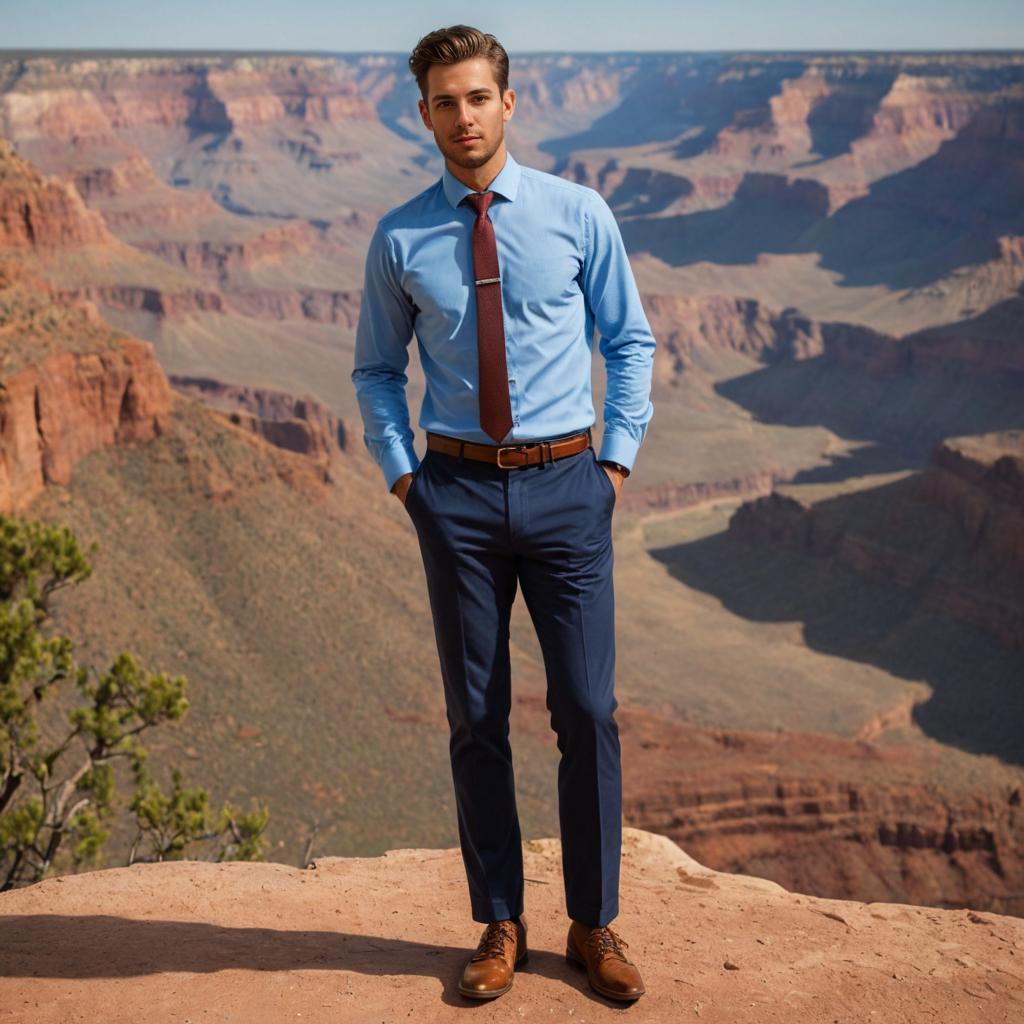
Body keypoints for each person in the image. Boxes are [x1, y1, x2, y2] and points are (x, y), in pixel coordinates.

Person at [351, 24, 655, 1003]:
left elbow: (630, 341)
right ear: (424, 111)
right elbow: (373, 370)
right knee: (476, 718)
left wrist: (612, 463)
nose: (462, 115)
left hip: (569, 485)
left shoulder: (576, 213)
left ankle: (593, 923)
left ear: (508, 101)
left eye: (477, 96)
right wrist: (410, 482)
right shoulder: (401, 236)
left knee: (587, 710)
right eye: (443, 100)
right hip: (460, 495)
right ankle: (499, 924)